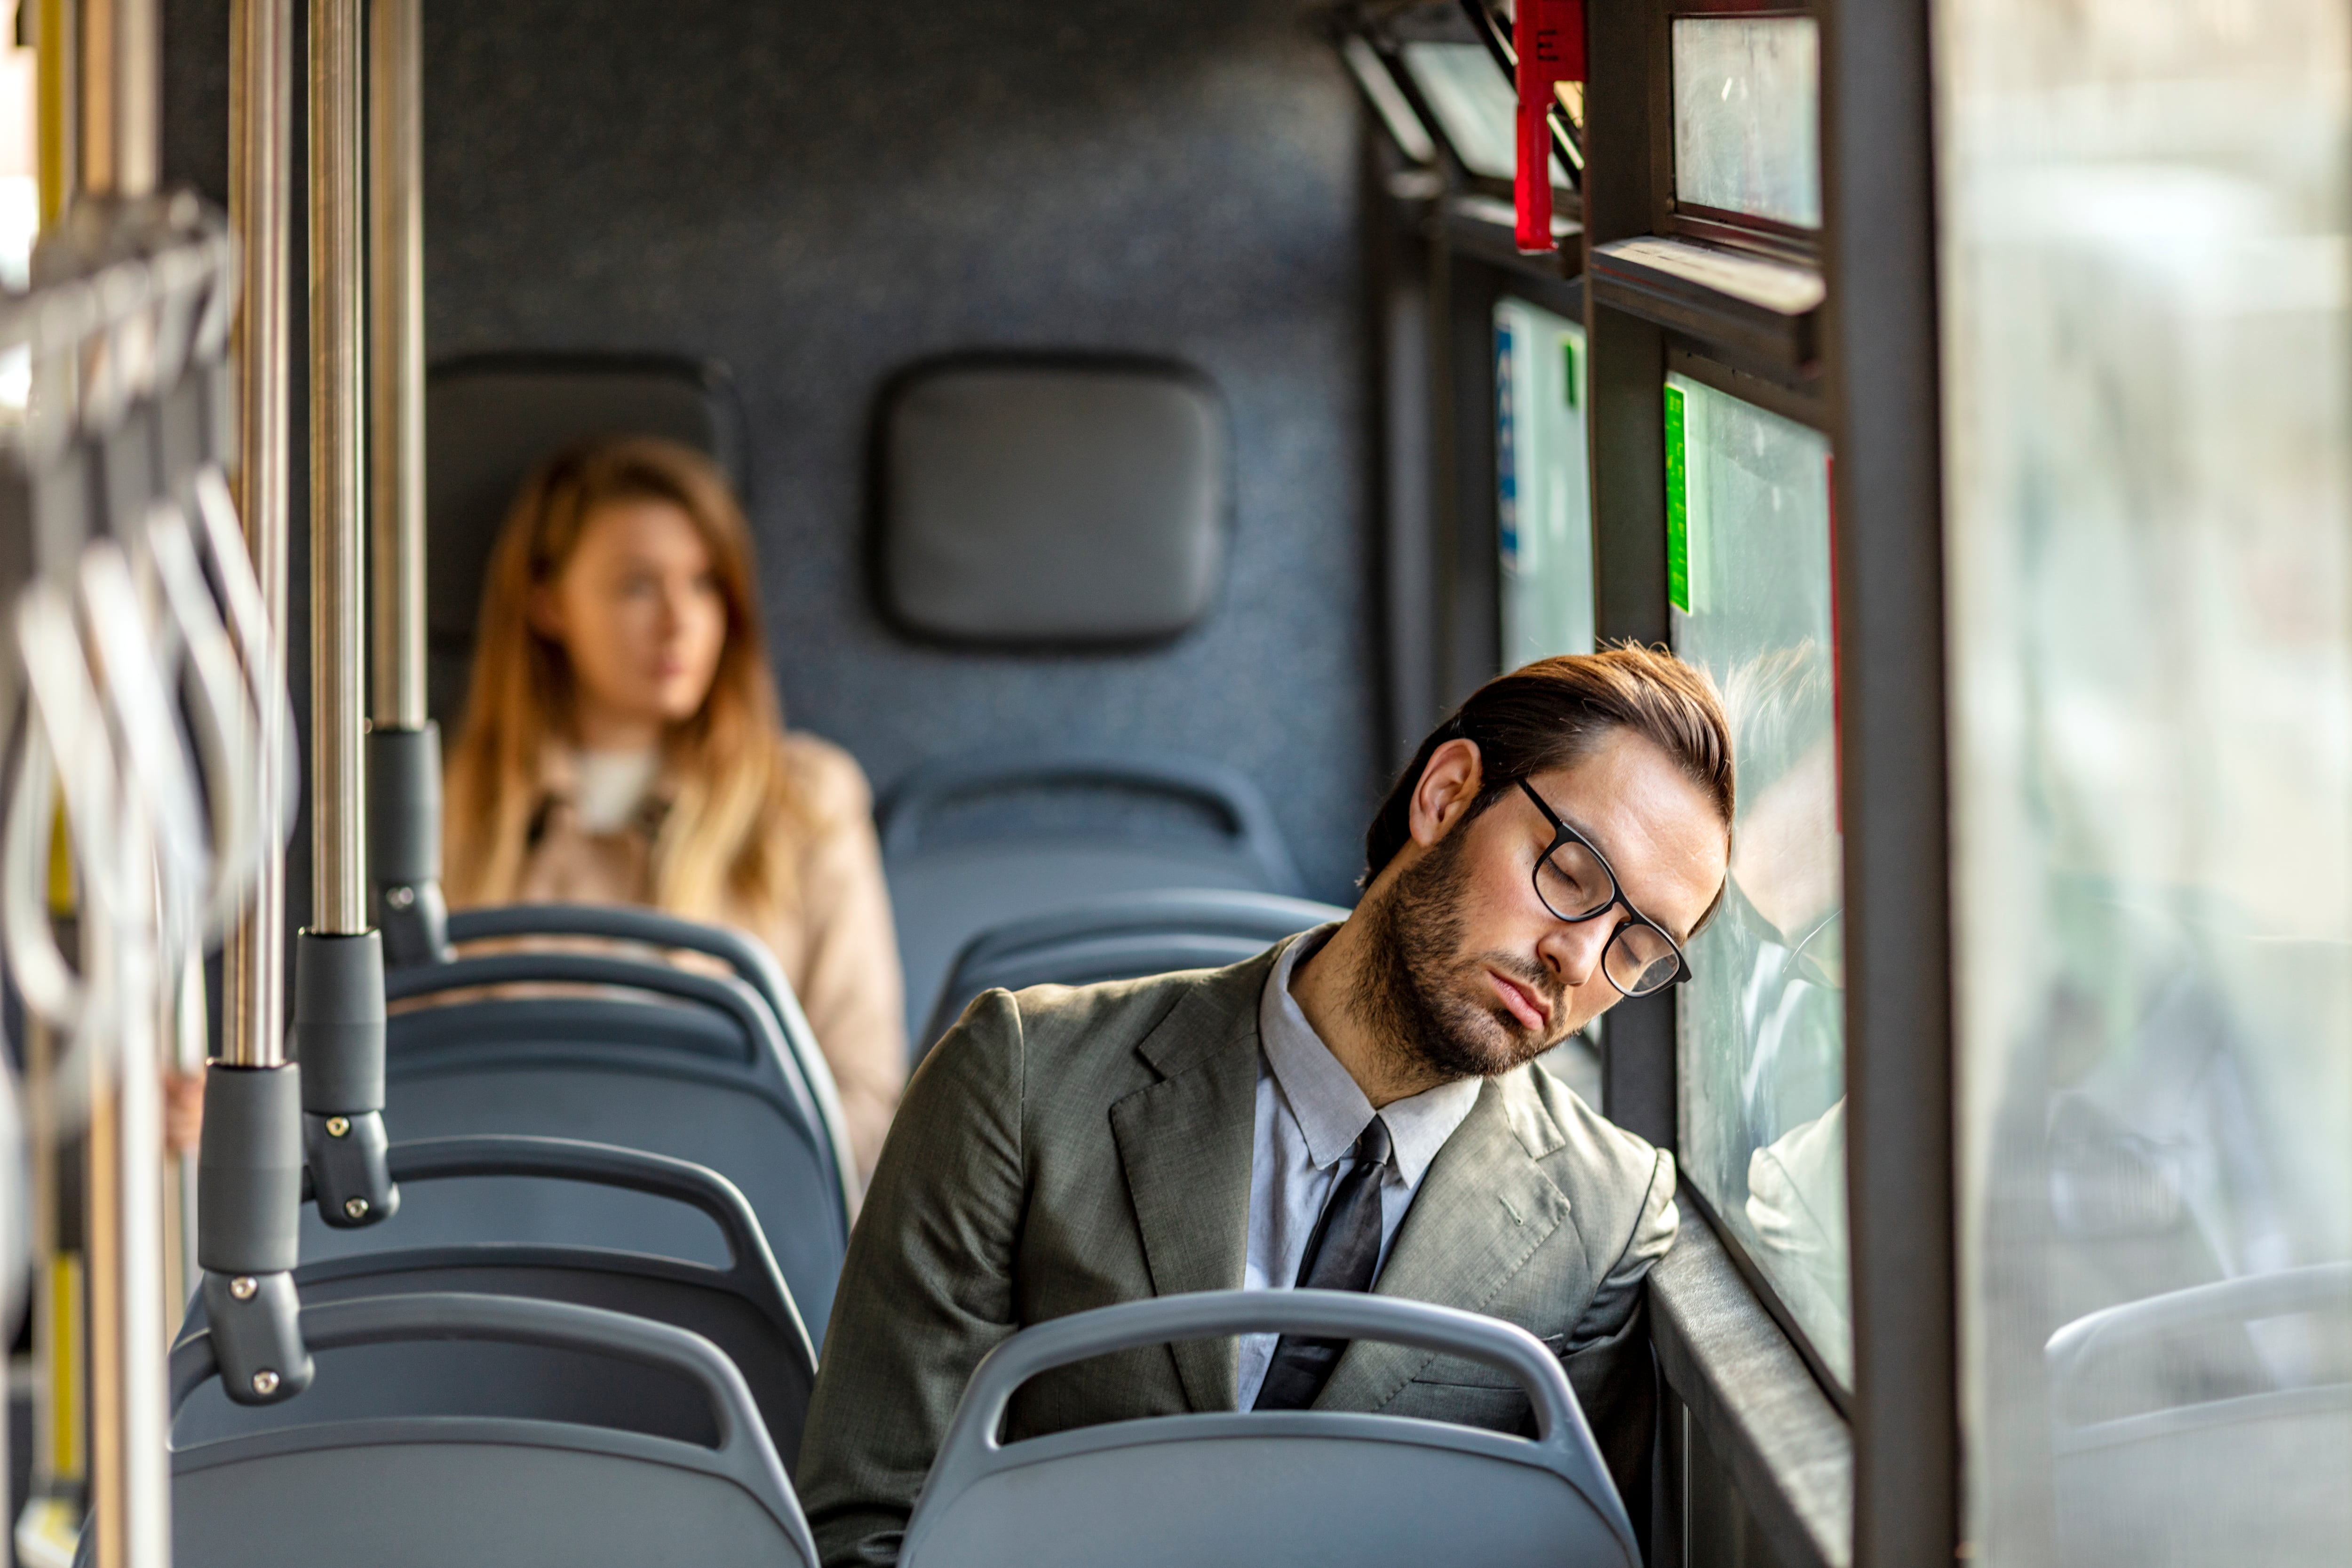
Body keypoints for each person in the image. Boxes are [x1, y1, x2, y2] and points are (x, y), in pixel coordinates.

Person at [797, 645, 1736, 1565]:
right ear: (1446, 793)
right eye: (1571, 874)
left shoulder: (1605, 1215)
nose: (1578, 959)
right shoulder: (1021, 1078)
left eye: (1638, 945)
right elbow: (870, 1526)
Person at [442, 436, 906, 1182]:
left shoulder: (807, 800)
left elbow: (866, 1096)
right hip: (513, 1235)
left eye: (705, 585)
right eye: (636, 587)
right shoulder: (455, 811)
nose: (680, 622)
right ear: (549, 602)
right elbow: (395, 1087)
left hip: (739, 1244)